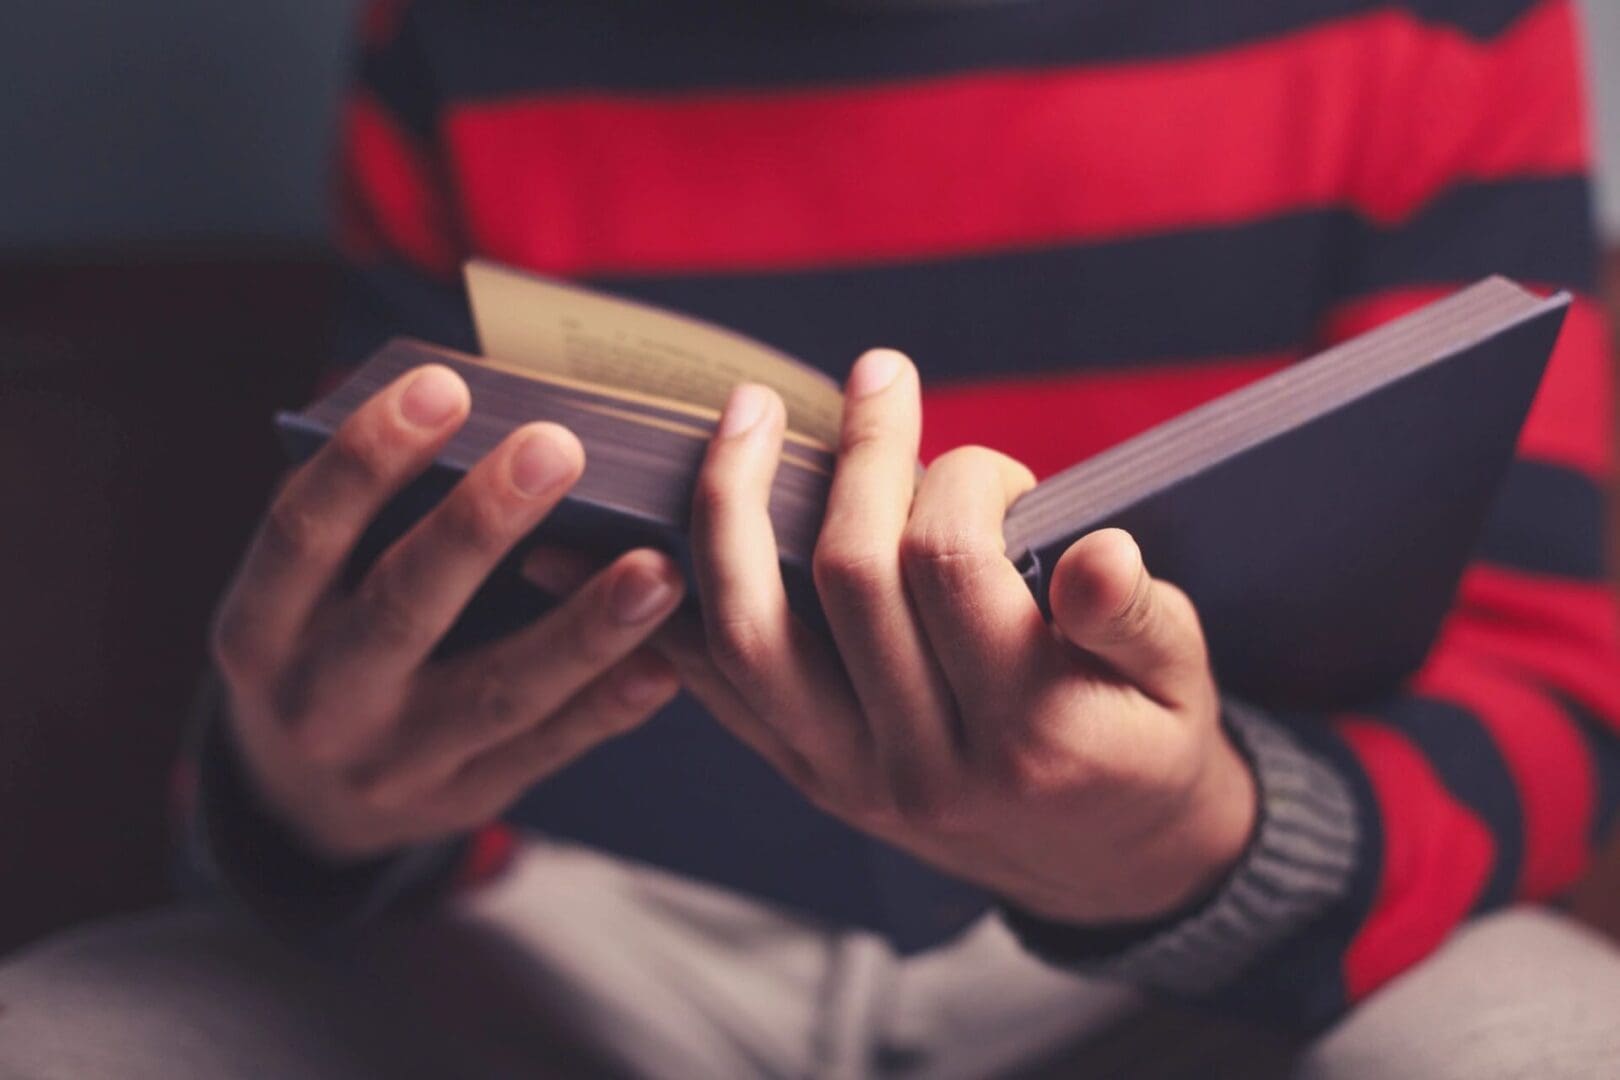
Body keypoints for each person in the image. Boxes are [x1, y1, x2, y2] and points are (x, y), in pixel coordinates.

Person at [4, 0, 1620, 1076]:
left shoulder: (1438, 20)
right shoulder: (463, 30)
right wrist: (295, 807)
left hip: (1185, 958)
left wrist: (1203, 847)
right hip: (592, 927)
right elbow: (414, 570)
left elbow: (1556, 694)